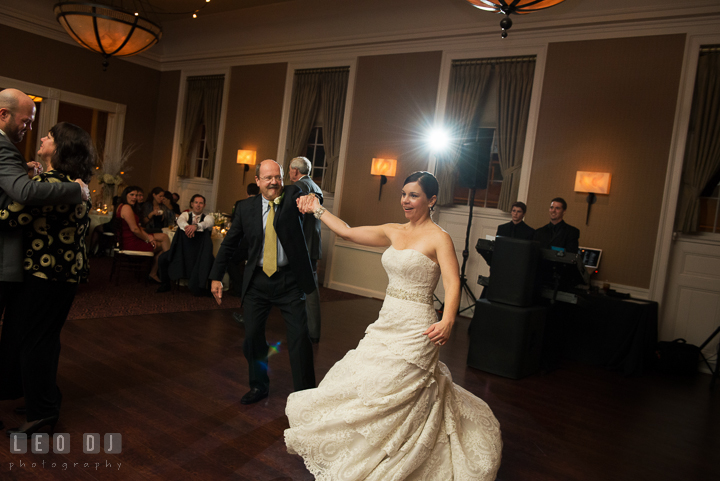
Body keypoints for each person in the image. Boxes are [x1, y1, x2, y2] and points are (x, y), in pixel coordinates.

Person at [285, 171, 502, 480]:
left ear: (432, 200)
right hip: (386, 323)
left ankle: (399, 454)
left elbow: (453, 284)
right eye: (403, 194)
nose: (406, 200)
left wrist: (449, 319)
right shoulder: (392, 230)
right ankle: (361, 449)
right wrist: (317, 209)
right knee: (366, 382)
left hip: (418, 328)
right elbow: (346, 232)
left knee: (398, 391)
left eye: (413, 195)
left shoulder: (439, 237)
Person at [0, 89, 88, 431]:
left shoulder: (52, 184)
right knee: (44, 340)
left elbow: (10, 215)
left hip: (44, 277)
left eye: (49, 136)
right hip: (62, 278)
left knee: (33, 342)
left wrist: (27, 179)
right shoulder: (69, 182)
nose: (40, 136)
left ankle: (43, 411)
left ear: (60, 148)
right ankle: (42, 399)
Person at [209, 159, 317, 405]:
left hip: (289, 281)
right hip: (257, 282)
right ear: (257, 181)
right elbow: (229, 243)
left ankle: (306, 396)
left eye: (277, 177)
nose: (273, 182)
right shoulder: (245, 209)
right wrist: (216, 275)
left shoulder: (292, 196)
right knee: (253, 336)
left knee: (300, 337)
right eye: (267, 178)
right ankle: (259, 386)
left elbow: (306, 190)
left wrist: (308, 198)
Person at [289, 156, 323, 343]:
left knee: (308, 289)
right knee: (307, 288)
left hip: (302, 246)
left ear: (295, 171)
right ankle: (311, 330)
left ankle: (311, 331)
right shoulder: (314, 186)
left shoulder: (300, 187)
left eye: (289, 170)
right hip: (311, 245)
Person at [156, 194, 215, 294]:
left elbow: (208, 223)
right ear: (192, 204)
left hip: (200, 254)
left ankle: (206, 289)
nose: (198, 205)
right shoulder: (185, 215)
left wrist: (196, 226)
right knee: (162, 258)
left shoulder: (208, 217)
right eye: (196, 202)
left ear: (204, 205)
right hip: (181, 251)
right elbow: (180, 221)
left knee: (213, 261)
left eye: (201, 203)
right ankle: (165, 284)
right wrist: (189, 227)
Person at [116, 185, 170, 282]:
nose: (134, 198)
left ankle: (158, 272)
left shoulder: (123, 206)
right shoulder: (126, 207)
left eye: (136, 195)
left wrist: (148, 236)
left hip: (132, 238)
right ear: (125, 195)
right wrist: (148, 238)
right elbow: (135, 229)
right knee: (163, 244)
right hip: (131, 242)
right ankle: (163, 273)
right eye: (132, 195)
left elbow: (137, 227)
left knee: (165, 237)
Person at [228, 183, 260, 324]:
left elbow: (235, 223)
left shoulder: (240, 204)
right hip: (257, 245)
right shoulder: (262, 204)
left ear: (247, 192)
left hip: (244, 243)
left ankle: (239, 287)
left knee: (231, 261)